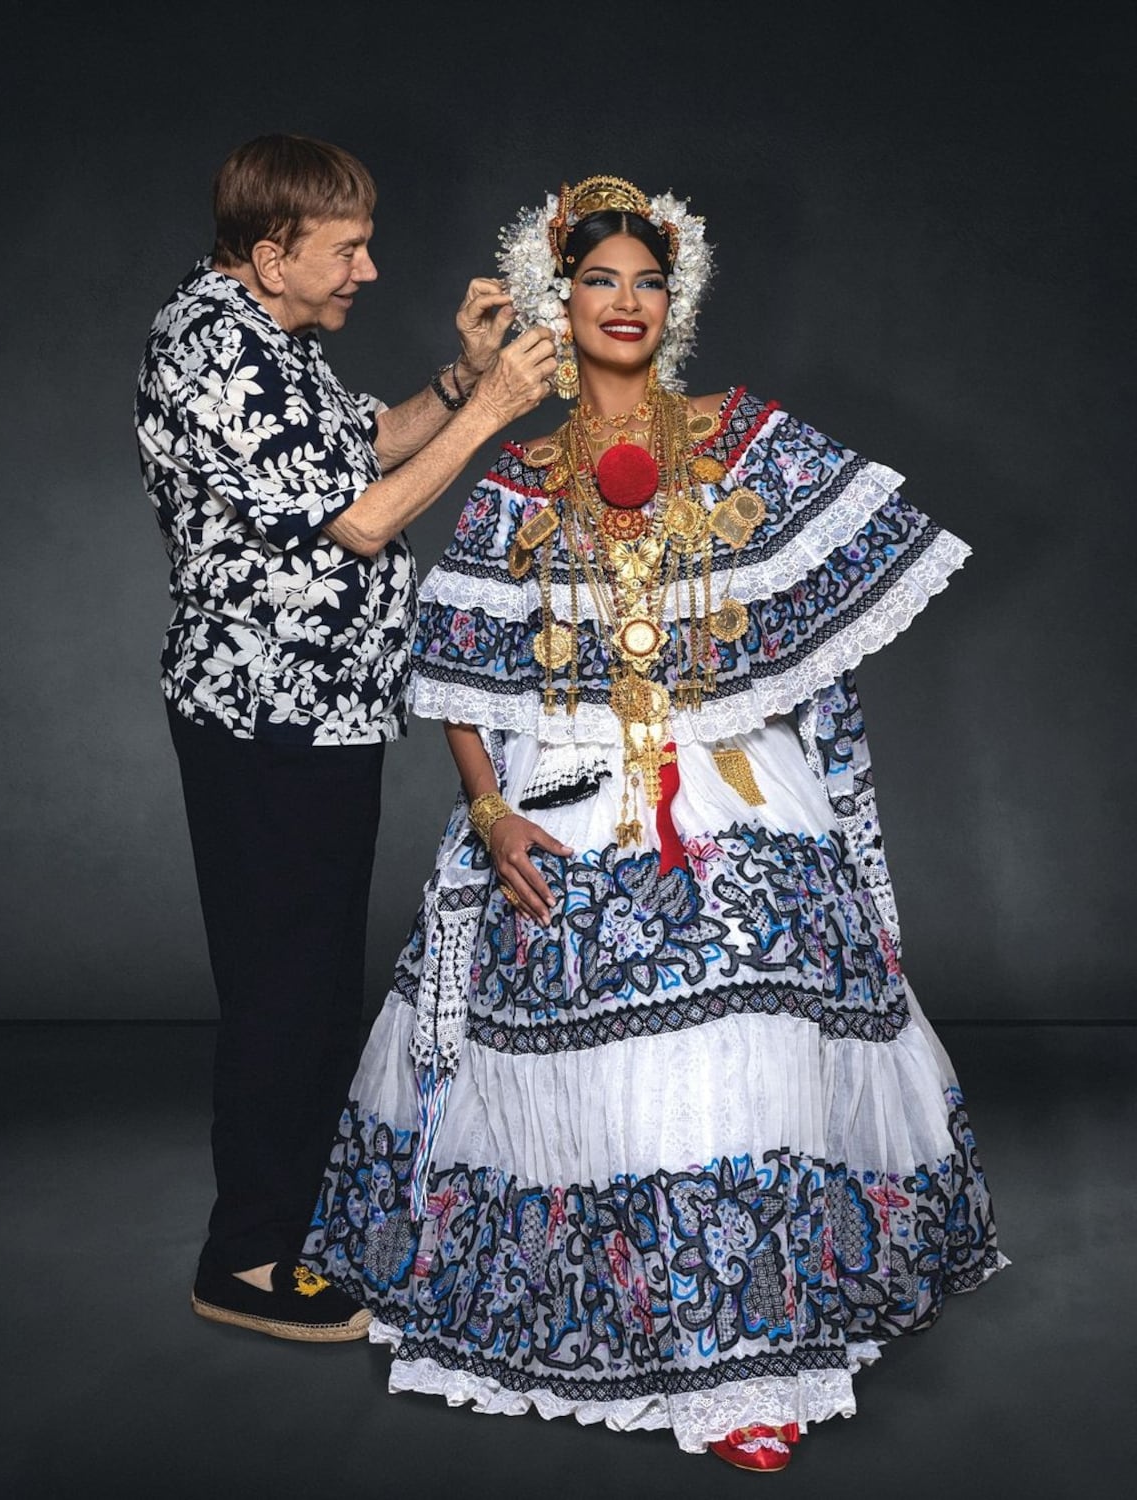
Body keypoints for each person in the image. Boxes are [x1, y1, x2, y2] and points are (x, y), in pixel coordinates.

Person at [303, 175, 1004, 1465]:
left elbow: (831, 612)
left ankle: (748, 1357)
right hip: (563, 794)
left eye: (647, 282)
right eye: (599, 282)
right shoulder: (518, 478)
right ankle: (652, 1313)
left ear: (672, 304)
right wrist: (490, 809)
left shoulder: (745, 439)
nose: (626, 302)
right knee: (575, 1003)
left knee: (758, 998)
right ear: (556, 303)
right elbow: (457, 670)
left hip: (733, 787)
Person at [133, 134, 556, 1342]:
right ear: (272, 257)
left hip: (323, 713)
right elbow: (362, 522)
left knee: (314, 983)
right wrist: (496, 411)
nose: (368, 270)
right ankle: (245, 1261)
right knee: (284, 986)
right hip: (265, 717)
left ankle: (296, 1231)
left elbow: (363, 449)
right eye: (347, 250)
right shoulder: (211, 344)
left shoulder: (270, 339)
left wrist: (460, 380)